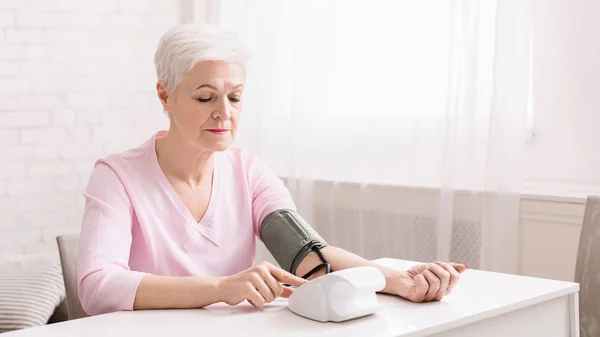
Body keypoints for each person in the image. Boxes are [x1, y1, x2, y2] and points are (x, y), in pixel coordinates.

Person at [77, 23, 467, 316]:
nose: (224, 113)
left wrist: (395, 280)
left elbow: (306, 253)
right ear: (165, 93)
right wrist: (220, 288)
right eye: (205, 97)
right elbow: (98, 286)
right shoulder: (116, 177)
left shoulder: (247, 171)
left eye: (234, 97)